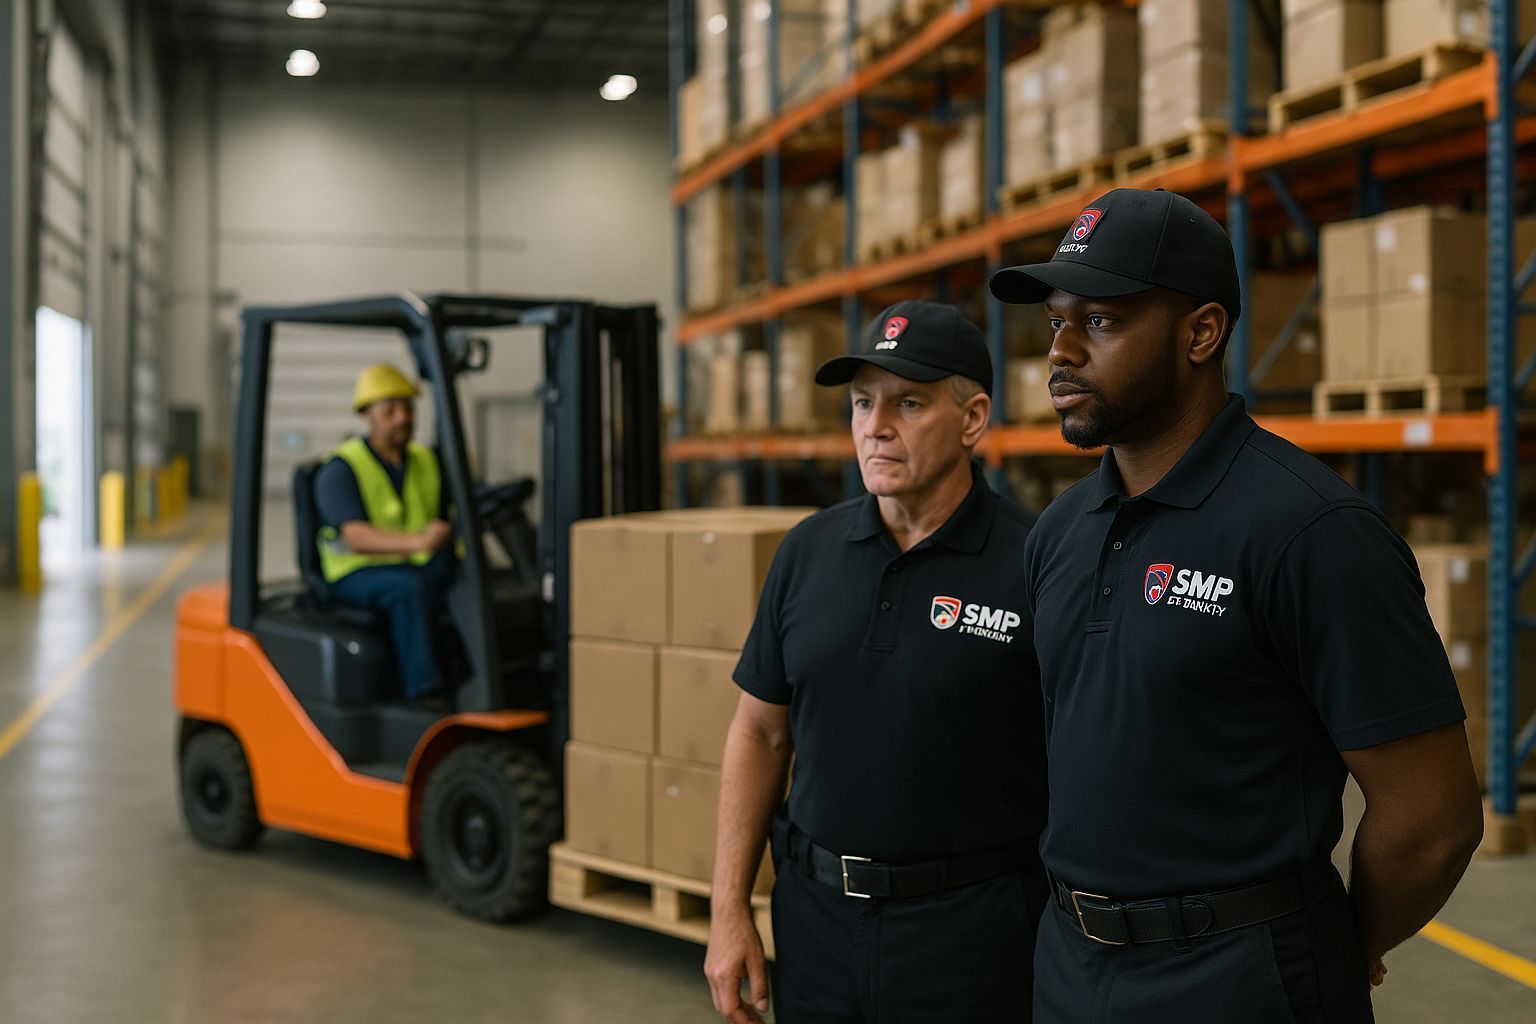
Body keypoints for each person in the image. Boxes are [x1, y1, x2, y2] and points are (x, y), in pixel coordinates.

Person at [989, 187, 1484, 1023]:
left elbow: (1433, 818)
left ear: (1202, 333)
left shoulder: (1311, 533)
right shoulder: (1060, 534)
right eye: (1055, 323)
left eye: (1101, 322)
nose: (1061, 352)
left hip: (1244, 982)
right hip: (1071, 972)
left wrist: (1337, 940)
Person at [704, 300, 1048, 1024]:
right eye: (862, 403)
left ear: (973, 418)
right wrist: (729, 906)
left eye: (909, 402)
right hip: (817, 926)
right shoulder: (807, 552)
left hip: (973, 939)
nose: (875, 425)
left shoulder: (1038, 562)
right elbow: (760, 733)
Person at [315, 362, 457, 707]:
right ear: (367, 414)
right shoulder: (341, 468)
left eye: (407, 407)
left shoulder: (426, 459)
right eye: (390, 410)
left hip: (411, 562)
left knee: (466, 575)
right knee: (407, 589)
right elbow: (356, 537)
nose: (402, 417)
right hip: (353, 572)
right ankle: (425, 692)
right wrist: (419, 541)